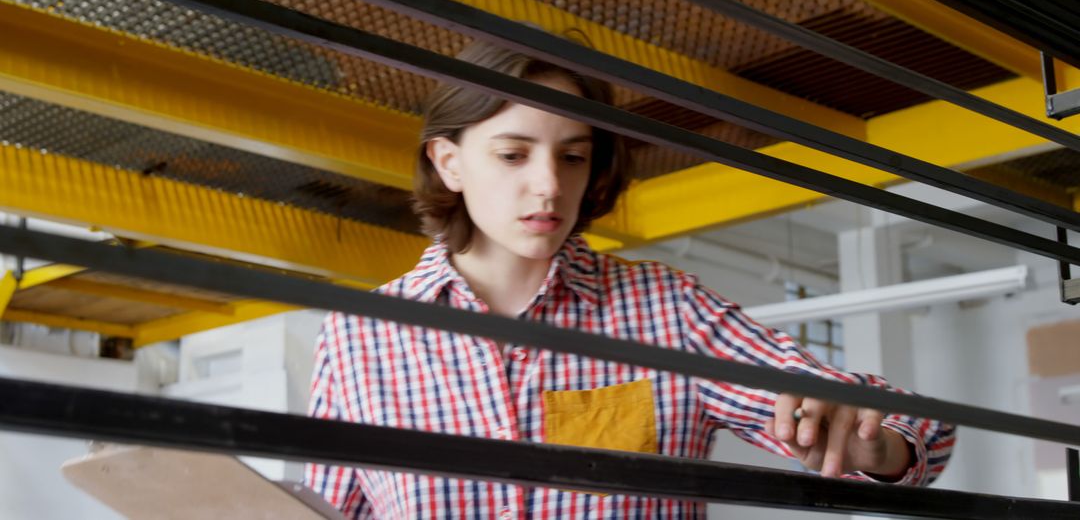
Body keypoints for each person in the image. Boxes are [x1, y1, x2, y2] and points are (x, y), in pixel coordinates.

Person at [305, 38, 956, 519]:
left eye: (574, 156)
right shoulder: (363, 335)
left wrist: (873, 446)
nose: (549, 185)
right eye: (512, 154)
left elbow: (917, 428)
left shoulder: (666, 311)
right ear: (447, 162)